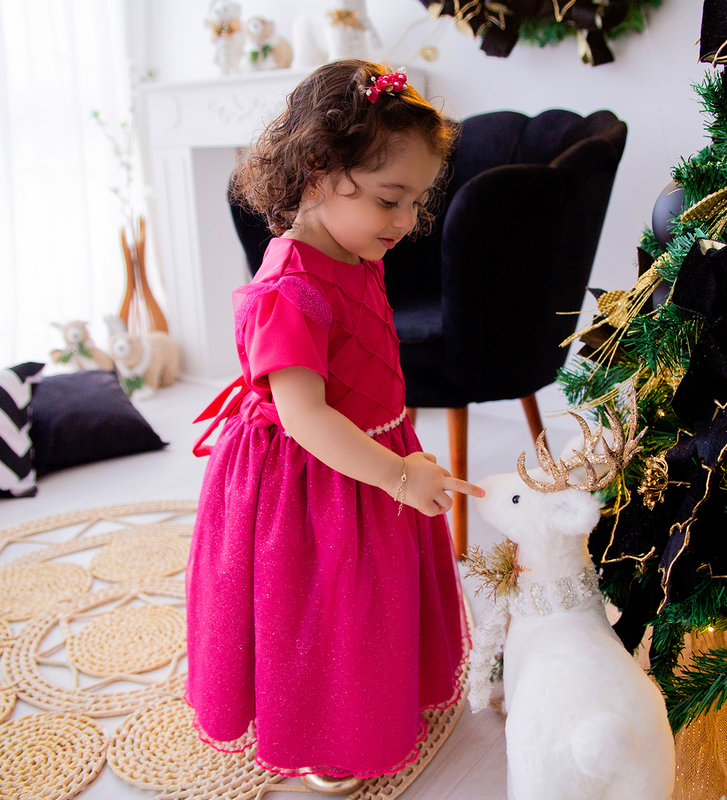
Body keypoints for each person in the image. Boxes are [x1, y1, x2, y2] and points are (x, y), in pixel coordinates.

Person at [185, 60, 482, 794]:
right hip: (310, 477)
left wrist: (396, 456)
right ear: (318, 173)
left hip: (373, 444)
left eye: (415, 202)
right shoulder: (289, 290)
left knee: (373, 597)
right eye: (390, 199)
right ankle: (326, 726)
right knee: (321, 607)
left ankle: (376, 694)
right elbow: (304, 415)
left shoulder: (354, 251)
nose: (405, 223)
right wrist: (395, 474)